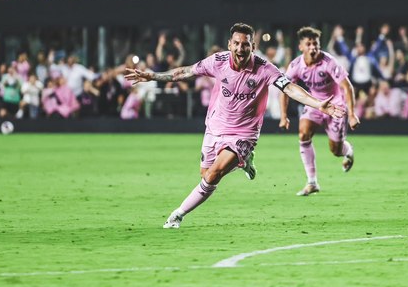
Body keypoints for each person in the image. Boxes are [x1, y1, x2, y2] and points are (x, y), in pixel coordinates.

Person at [124, 23, 345, 229]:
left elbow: (289, 88)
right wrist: (153, 75)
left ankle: (178, 215)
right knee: (205, 174)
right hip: (214, 127)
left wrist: (319, 105)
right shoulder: (218, 61)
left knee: (214, 174)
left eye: (246, 44)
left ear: (253, 46)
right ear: (230, 44)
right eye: (237, 43)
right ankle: (245, 163)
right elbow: (185, 72)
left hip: (244, 134)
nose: (241, 48)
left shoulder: (264, 69)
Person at [279, 27, 360, 197]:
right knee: (303, 134)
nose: (313, 47)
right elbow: (284, 89)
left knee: (336, 151)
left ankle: (348, 150)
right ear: (301, 47)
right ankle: (312, 182)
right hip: (315, 104)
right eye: (308, 44)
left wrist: (352, 114)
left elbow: (347, 87)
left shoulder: (329, 62)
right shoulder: (295, 65)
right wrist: (283, 116)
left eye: (315, 43)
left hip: (335, 106)